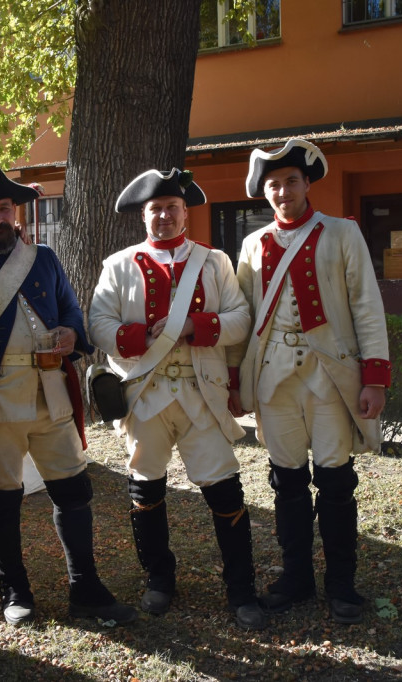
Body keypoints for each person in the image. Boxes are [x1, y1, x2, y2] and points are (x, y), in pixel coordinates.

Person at [0, 162, 137, 627]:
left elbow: (75, 319)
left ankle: (86, 587)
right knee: (1, 496)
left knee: (73, 491)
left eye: (4, 208)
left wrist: (68, 335)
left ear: (14, 211)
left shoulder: (44, 260)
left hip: (50, 392)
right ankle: (13, 588)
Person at [88, 168, 266, 630]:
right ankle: (159, 580)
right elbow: (99, 324)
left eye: (171, 207)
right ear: (143, 216)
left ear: (185, 211)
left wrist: (196, 327)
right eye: (155, 209)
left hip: (200, 392)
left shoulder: (213, 262)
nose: (164, 216)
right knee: (145, 489)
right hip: (144, 393)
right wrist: (134, 336)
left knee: (224, 487)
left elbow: (241, 318)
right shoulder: (119, 264)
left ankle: (241, 589)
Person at [236, 139, 391, 624]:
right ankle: (296, 577)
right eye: (273, 185)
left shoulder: (342, 233)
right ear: (265, 193)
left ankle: (342, 584)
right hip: (273, 381)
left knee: (336, 481)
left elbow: (366, 304)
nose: (283, 192)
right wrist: (232, 380)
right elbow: (241, 317)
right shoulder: (251, 245)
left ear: (306, 184)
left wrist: (375, 376)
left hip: (329, 378)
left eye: (291, 181)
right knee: (287, 484)